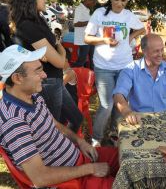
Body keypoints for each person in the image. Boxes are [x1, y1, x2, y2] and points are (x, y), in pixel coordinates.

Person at [0, 45, 119, 189]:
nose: (44, 75)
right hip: (71, 182)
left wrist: (79, 141)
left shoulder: (33, 96)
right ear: (17, 78)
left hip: (79, 160)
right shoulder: (13, 122)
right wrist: (91, 169)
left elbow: (54, 123)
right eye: (38, 71)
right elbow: (40, 177)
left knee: (126, 158)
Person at [10, 0, 83, 132]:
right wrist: (58, 48)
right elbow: (59, 62)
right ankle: (59, 151)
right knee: (52, 128)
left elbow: (56, 47)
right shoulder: (27, 26)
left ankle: (69, 146)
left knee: (77, 118)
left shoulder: (38, 20)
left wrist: (56, 48)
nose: (46, 0)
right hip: (46, 82)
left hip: (55, 79)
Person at [84, 0, 145, 147]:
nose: (119, 3)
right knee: (106, 105)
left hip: (124, 65)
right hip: (104, 66)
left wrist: (130, 37)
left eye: (123, 0)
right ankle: (96, 139)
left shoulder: (128, 15)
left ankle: (113, 133)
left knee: (121, 103)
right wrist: (103, 39)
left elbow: (142, 29)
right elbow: (87, 38)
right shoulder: (99, 13)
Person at [113, 34, 166, 125]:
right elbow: (118, 94)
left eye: (162, 50)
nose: (160, 54)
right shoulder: (130, 70)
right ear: (144, 51)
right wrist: (127, 112)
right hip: (138, 119)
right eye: (156, 51)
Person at [73, 0, 97, 67]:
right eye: (93, 3)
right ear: (88, 0)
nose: (93, 5)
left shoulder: (87, 9)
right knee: (82, 60)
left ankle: (92, 74)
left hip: (90, 38)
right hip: (83, 40)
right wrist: (90, 22)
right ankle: (75, 74)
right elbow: (75, 23)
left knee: (93, 58)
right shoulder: (79, 9)